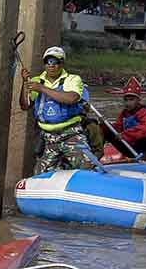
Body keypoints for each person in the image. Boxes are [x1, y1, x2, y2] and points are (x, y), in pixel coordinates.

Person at [19, 46, 95, 174]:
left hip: (70, 134)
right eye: (48, 62)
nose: (51, 65)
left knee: (88, 169)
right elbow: (24, 105)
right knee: (40, 174)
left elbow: (71, 98)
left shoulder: (73, 79)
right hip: (48, 138)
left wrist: (42, 88)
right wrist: (24, 84)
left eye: (55, 62)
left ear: (62, 63)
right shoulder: (37, 81)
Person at [110, 76, 146, 155]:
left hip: (145, 148)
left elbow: (144, 129)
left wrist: (125, 135)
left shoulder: (144, 113)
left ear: (138, 100)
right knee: (107, 129)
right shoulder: (124, 114)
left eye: (131, 100)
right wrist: (105, 126)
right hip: (130, 146)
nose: (128, 103)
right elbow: (118, 127)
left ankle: (145, 157)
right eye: (126, 100)